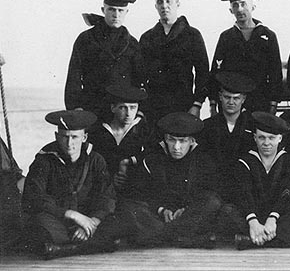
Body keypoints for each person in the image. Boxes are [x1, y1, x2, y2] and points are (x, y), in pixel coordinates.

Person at [22, 110, 118, 259]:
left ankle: (62, 249)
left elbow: (107, 195)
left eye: (74, 137)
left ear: (84, 137)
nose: (69, 143)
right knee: (40, 223)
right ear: (56, 136)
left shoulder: (95, 159)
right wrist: (72, 215)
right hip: (58, 220)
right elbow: (34, 197)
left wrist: (92, 222)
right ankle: (90, 246)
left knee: (118, 220)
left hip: (88, 219)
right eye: (64, 137)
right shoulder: (44, 161)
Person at [135, 112, 223, 248]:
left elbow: (209, 194)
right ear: (165, 139)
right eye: (172, 140)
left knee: (213, 202)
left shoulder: (203, 161)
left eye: (182, 141)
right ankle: (181, 238)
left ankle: (166, 236)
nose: (176, 147)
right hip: (159, 215)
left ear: (192, 141)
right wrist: (161, 210)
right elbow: (142, 193)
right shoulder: (152, 160)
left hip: (188, 215)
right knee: (134, 208)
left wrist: (186, 210)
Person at [232, 112, 290, 249]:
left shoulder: (288, 161)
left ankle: (252, 240)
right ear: (255, 138)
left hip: (278, 215)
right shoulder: (245, 161)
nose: (266, 143)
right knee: (227, 210)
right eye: (261, 137)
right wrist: (253, 221)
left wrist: (273, 218)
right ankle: (283, 238)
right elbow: (244, 193)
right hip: (253, 213)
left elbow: (287, 192)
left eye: (271, 138)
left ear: (280, 138)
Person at [65, 0, 144, 121]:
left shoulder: (132, 43)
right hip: (92, 109)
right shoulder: (86, 39)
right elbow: (74, 77)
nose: (116, 15)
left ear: (126, 12)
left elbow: (139, 81)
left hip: (121, 113)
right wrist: (75, 108)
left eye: (120, 10)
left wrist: (138, 111)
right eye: (111, 9)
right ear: (103, 10)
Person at [139, 0, 209, 124]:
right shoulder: (147, 37)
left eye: (168, 1)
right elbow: (140, 74)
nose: (164, 6)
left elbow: (203, 72)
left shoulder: (192, 35)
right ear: (155, 6)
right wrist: (142, 108)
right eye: (160, 2)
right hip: (154, 106)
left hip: (183, 104)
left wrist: (197, 104)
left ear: (177, 3)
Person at [210, 0, 282, 115]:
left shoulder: (268, 36)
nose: (240, 9)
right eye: (235, 5)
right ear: (231, 10)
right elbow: (216, 71)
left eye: (243, 4)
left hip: (259, 102)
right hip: (232, 103)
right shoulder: (226, 37)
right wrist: (213, 104)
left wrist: (273, 104)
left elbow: (275, 72)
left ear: (253, 7)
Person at [86, 83, 158, 197]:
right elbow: (93, 162)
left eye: (133, 108)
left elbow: (153, 154)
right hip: (102, 189)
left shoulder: (144, 130)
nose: (129, 113)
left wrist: (128, 162)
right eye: (123, 107)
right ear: (113, 108)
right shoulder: (99, 132)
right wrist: (110, 177)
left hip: (135, 189)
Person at [198, 71, 257, 206]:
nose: (231, 102)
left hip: (245, 188)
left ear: (243, 99)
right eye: (227, 97)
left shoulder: (253, 126)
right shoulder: (207, 126)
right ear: (220, 97)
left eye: (236, 98)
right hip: (215, 188)